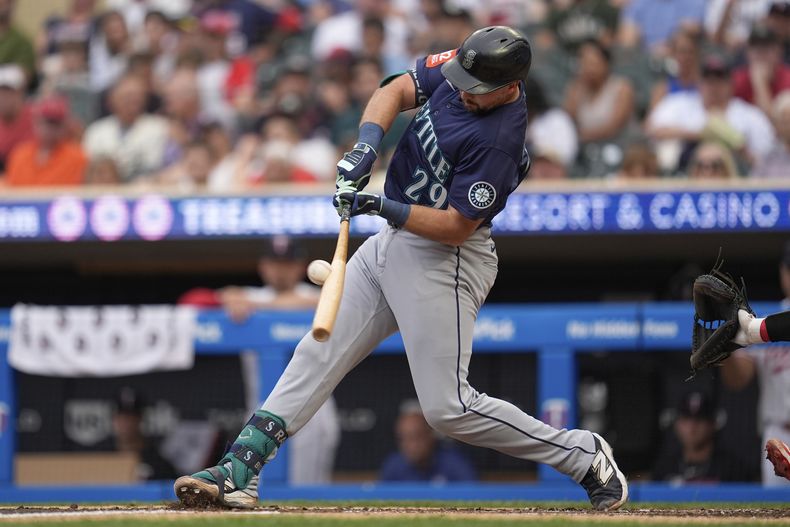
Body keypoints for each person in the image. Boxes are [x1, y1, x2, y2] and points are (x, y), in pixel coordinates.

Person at [174, 25, 628, 512]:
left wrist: (383, 204)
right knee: (317, 351)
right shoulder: (469, 67)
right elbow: (395, 87)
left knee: (448, 409)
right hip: (392, 241)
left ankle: (583, 455)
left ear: (508, 87)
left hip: (446, 257)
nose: (462, 89)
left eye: (476, 89)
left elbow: (456, 226)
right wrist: (366, 146)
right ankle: (240, 468)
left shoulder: (499, 138)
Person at [179, 236, 341, 486]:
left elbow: (327, 301)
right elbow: (191, 301)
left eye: (287, 263)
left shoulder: (314, 296)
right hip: (261, 411)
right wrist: (225, 298)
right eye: (275, 263)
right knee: (255, 491)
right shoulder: (245, 296)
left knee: (309, 490)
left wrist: (254, 305)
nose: (280, 270)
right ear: (263, 266)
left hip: (313, 411)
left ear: (300, 266)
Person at [719, 241, 790, 486]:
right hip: (780, 431)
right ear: (783, 272)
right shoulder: (771, 316)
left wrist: (752, 330)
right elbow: (738, 379)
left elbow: (756, 329)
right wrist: (723, 348)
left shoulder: (763, 322)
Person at [652, 391, 758, 483]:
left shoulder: (733, 469)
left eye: (699, 420)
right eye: (685, 419)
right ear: (676, 424)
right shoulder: (664, 468)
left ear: (713, 424)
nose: (691, 428)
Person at [380, 399, 476, 482]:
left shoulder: (454, 465)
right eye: (403, 438)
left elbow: (473, 498)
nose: (411, 446)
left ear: (431, 435)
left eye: (416, 437)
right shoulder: (393, 466)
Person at [4, 95, 86, 187]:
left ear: (65, 125)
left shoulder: (78, 157)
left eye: (56, 123)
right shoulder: (20, 154)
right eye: (46, 122)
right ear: (36, 122)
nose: (50, 128)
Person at [113, 386, 177, 481]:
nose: (126, 423)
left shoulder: (158, 463)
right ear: (114, 419)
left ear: (141, 419)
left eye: (132, 417)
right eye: (122, 416)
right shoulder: (101, 455)